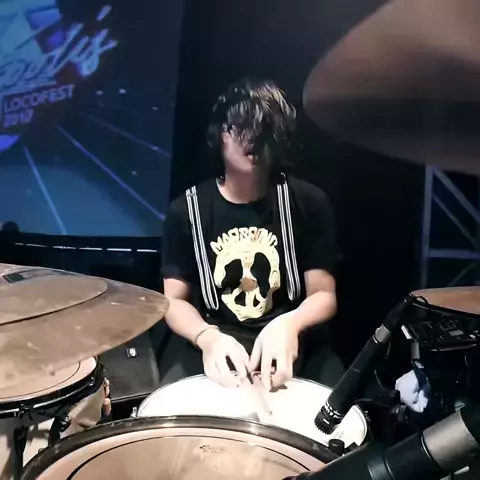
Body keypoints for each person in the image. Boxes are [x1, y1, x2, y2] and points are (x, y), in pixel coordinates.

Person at [161, 78, 343, 391]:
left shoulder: (308, 202)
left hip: (293, 340)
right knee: (164, 413)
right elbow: (173, 301)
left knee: (343, 414)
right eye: (243, 126)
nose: (254, 139)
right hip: (217, 340)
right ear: (221, 134)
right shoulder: (186, 210)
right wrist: (206, 337)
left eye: (265, 129)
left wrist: (290, 324)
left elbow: (323, 295)